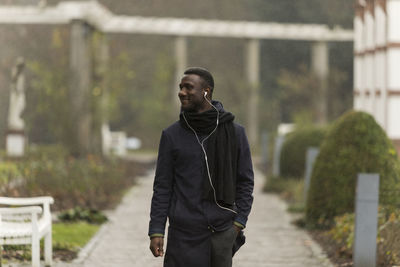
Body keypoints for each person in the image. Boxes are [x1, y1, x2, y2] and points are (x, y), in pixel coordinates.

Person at [148, 67, 254, 267]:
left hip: (221, 233)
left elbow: (245, 182)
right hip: (182, 236)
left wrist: (238, 225)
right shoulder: (172, 135)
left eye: (188, 87)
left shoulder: (235, 133)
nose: (181, 92)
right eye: (180, 87)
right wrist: (156, 231)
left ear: (206, 91)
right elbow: (162, 187)